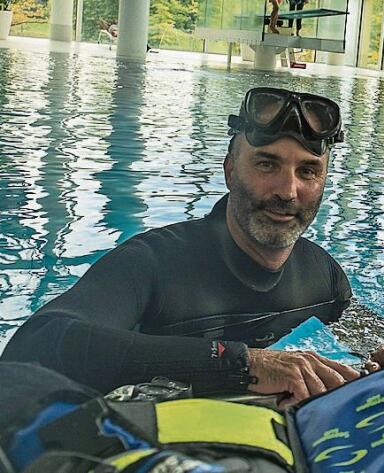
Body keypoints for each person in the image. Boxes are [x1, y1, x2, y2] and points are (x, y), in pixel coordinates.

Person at [1, 87, 361, 407]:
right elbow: (37, 346)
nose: (288, 190)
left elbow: (378, 343)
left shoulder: (324, 275)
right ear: (231, 172)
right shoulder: (151, 264)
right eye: (267, 164)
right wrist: (243, 363)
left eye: (308, 172)